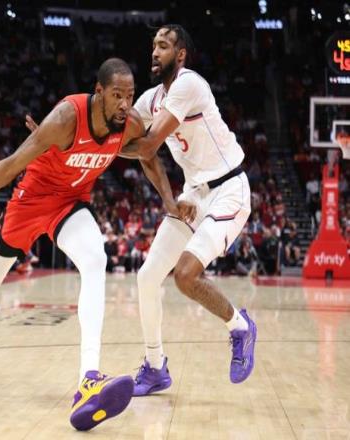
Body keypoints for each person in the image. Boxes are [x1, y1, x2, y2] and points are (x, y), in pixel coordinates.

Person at [0, 58, 180, 431]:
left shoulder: (127, 123)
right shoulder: (65, 119)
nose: (125, 103)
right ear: (99, 92)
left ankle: (88, 381)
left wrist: (170, 202)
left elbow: (147, 154)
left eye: (130, 95)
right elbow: (10, 165)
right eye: (117, 95)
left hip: (70, 204)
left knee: (95, 260)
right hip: (30, 200)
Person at [123, 24, 257, 394]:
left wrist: (113, 147)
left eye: (164, 46)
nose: (155, 52)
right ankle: (155, 367)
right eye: (154, 45)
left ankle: (240, 328)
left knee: (184, 276)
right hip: (194, 196)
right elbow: (129, 142)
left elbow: (146, 146)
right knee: (147, 277)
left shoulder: (189, 84)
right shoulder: (150, 100)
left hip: (229, 189)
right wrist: (68, 140)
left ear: (180, 55)